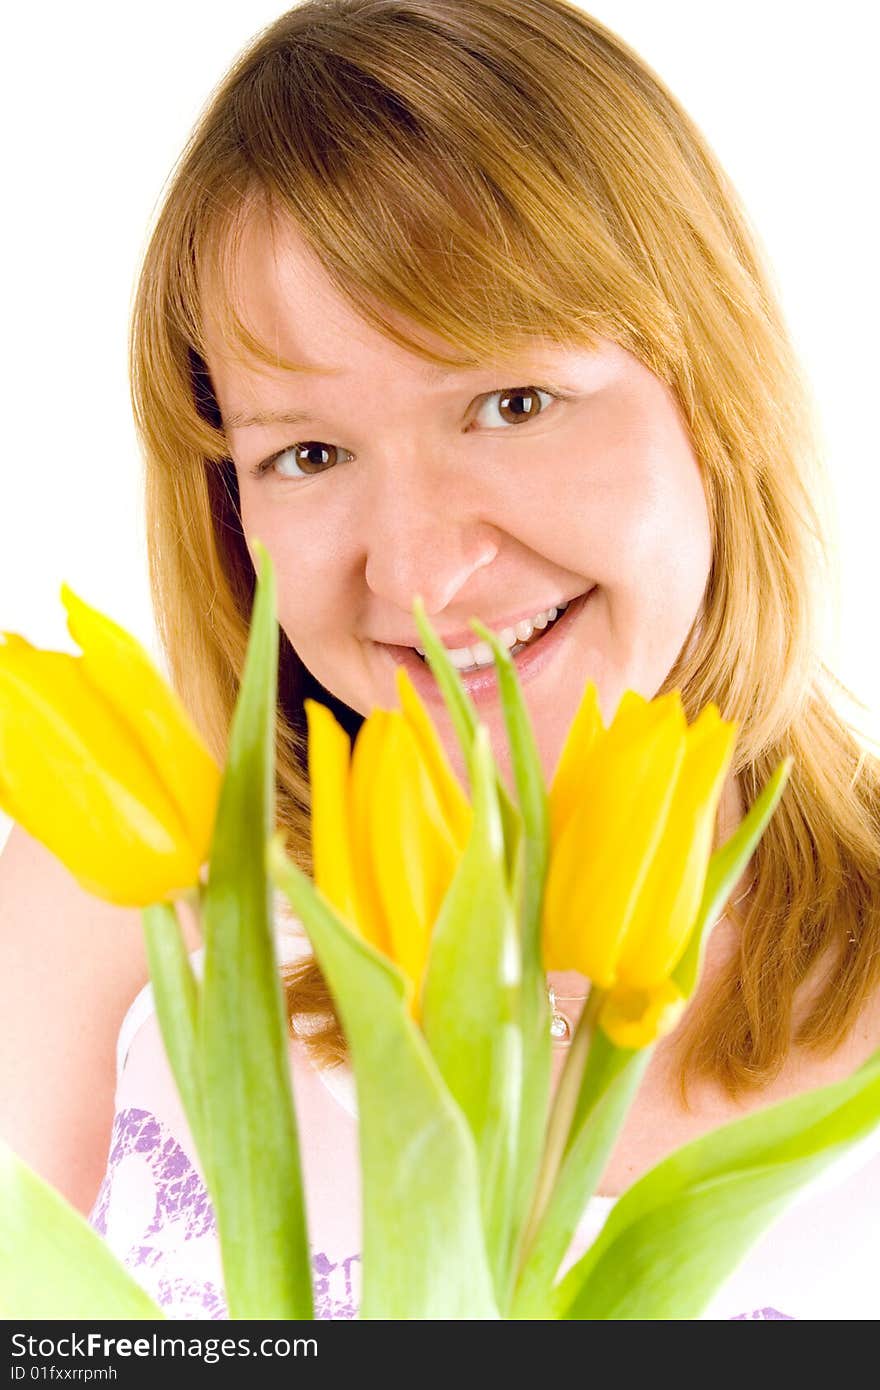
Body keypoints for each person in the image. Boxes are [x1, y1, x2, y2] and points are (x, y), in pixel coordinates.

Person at [2, 0, 879, 1320]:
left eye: (511, 403)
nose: (416, 572)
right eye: (308, 452)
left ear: (717, 392)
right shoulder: (123, 912)